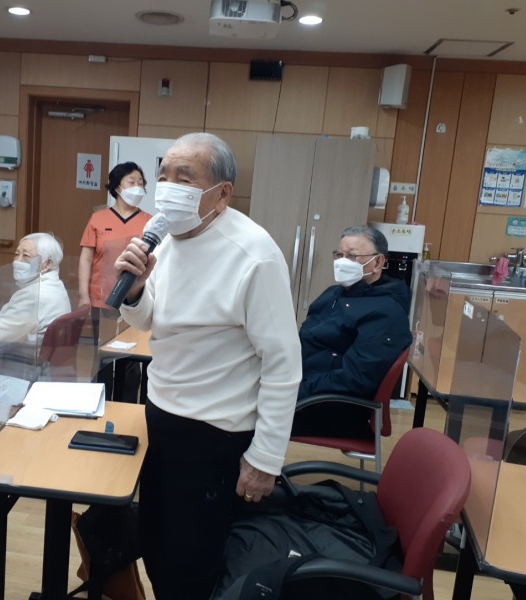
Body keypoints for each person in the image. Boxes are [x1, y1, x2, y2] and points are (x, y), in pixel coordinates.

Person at [114, 132, 302, 600]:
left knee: (191, 562)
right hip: (161, 415)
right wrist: (135, 292)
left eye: (185, 178)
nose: (167, 187)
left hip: (215, 433)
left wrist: (265, 458)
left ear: (222, 194)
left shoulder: (254, 254)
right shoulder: (166, 235)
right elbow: (152, 319)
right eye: (163, 176)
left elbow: (283, 364)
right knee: (156, 542)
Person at [291, 225, 412, 439]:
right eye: (339, 255)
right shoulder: (333, 294)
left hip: (329, 408)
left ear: (378, 262)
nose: (342, 262)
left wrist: (292, 391)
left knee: (239, 414)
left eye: (352, 256)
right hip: (302, 387)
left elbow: (355, 379)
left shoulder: (386, 313)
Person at [79, 162, 151, 401]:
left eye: (141, 183)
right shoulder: (98, 218)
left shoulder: (149, 222)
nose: (138, 187)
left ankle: (125, 403)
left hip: (135, 300)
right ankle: (99, 403)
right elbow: (86, 258)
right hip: (102, 300)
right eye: (132, 182)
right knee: (103, 355)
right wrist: (83, 296)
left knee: (131, 357)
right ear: (117, 186)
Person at [0, 232, 71, 347]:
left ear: (47, 264)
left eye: (26, 255)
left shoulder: (34, 295)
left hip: (21, 355)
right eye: (17, 254)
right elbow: (11, 319)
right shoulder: (56, 285)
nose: (17, 261)